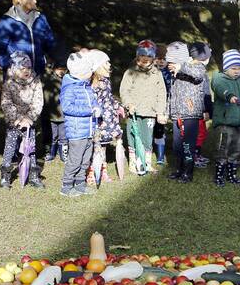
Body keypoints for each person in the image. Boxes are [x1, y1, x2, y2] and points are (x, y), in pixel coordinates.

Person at [119, 39, 168, 176]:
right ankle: (133, 163)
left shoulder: (157, 74)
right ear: (137, 57)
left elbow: (161, 93)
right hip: (134, 112)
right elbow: (124, 90)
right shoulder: (130, 72)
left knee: (147, 137)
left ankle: (146, 162)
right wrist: (128, 104)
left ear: (153, 59)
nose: (143, 63)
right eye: (141, 60)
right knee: (133, 135)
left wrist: (160, 112)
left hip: (150, 112)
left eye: (147, 60)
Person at [0, 51, 44, 190]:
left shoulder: (35, 81)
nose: (26, 71)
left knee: (31, 148)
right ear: (14, 68)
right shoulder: (9, 83)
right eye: (22, 68)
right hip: (14, 122)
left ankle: (33, 176)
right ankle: (5, 176)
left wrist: (29, 118)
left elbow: (38, 101)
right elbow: (6, 103)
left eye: (28, 68)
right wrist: (18, 118)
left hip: (30, 122)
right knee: (10, 148)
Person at [0, 0, 56, 76]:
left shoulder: (41, 18)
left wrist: (60, 62)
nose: (35, 1)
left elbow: (51, 44)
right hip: (15, 80)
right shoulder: (7, 22)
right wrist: (14, 68)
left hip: (37, 76)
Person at [209, 49, 240, 187]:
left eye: (239, 68)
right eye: (233, 68)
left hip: (237, 124)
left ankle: (232, 175)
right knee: (222, 149)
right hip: (224, 123)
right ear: (226, 67)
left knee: (235, 150)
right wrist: (230, 96)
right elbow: (221, 89)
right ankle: (219, 176)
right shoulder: (219, 79)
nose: (237, 71)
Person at [165, 41, 205, 183]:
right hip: (177, 114)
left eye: (171, 62)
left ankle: (188, 172)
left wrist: (182, 66)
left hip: (190, 114)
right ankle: (178, 169)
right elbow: (171, 95)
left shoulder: (196, 67)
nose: (169, 65)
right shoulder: (173, 75)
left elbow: (198, 75)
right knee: (177, 145)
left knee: (188, 145)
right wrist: (167, 111)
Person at [59, 51, 97, 197]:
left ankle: (80, 183)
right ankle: (66, 186)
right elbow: (67, 108)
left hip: (88, 130)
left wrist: (96, 107)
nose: (91, 73)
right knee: (75, 160)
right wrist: (89, 110)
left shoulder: (86, 86)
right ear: (81, 72)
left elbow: (93, 102)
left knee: (86, 159)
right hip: (76, 130)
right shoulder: (69, 87)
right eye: (89, 71)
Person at [87, 49, 125, 186]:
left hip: (108, 119)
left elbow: (109, 99)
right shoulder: (92, 83)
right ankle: (92, 172)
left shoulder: (106, 80)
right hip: (98, 120)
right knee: (95, 146)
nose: (109, 65)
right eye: (106, 62)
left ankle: (103, 171)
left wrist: (118, 105)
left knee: (102, 146)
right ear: (97, 65)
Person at [187, 42, 214, 169]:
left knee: (200, 133)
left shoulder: (188, 69)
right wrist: (206, 109)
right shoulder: (200, 72)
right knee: (198, 134)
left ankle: (196, 154)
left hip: (192, 109)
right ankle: (194, 157)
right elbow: (204, 94)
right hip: (197, 110)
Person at [43, 43, 69, 163]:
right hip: (52, 115)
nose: (62, 72)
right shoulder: (49, 80)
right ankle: (51, 152)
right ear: (54, 69)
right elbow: (47, 97)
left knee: (63, 136)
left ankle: (63, 153)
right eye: (59, 69)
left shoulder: (67, 80)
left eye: (64, 69)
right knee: (53, 135)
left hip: (63, 115)